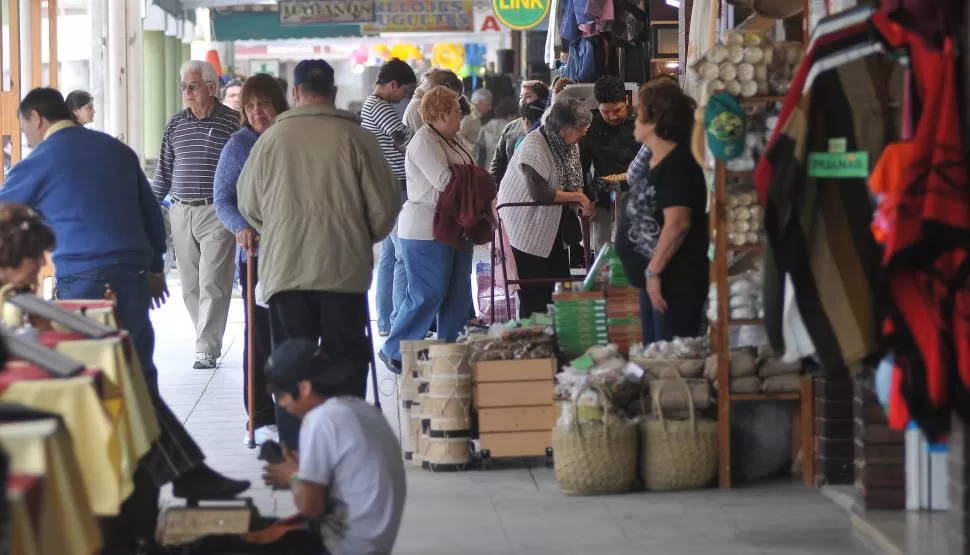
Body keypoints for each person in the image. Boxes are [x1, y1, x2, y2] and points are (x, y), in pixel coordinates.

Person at [0, 89, 249, 500]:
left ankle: (144, 486)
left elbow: (6, 209)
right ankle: (175, 477)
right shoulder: (115, 149)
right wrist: (154, 267)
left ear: (37, 118)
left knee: (108, 380)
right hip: (133, 272)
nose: (26, 135)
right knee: (135, 372)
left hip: (85, 279)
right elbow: (150, 210)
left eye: (25, 126)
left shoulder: (41, 159)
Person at [237, 59, 399, 450]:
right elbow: (385, 206)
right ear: (333, 93)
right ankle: (345, 445)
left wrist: (279, 228)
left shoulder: (272, 140)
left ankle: (298, 448)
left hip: (285, 270)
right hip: (342, 269)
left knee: (292, 359)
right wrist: (361, 236)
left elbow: (248, 203)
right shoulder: (356, 137)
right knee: (343, 357)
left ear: (295, 94)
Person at [262, 339, 406, 555]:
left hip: (342, 547)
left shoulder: (320, 420)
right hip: (375, 543)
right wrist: (305, 472)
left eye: (280, 395)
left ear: (305, 388)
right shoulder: (362, 409)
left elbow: (310, 507)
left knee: (229, 544)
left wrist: (293, 477)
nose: (281, 404)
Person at [378, 86, 477, 371]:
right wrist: (475, 184)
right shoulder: (423, 141)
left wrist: (473, 185)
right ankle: (394, 349)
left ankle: (453, 350)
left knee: (458, 291)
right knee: (428, 292)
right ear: (440, 113)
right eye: (457, 112)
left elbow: (468, 173)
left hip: (456, 225)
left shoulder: (453, 139)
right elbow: (447, 182)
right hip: (425, 230)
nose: (461, 117)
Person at [214, 73, 289, 446]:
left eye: (264, 104)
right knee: (259, 335)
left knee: (291, 332)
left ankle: (294, 409)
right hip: (257, 256)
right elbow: (222, 198)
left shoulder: (292, 136)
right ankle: (260, 414)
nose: (258, 112)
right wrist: (240, 227)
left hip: (296, 253)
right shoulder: (239, 145)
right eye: (250, 106)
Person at [152, 60, 240, 370]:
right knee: (189, 284)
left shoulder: (233, 122)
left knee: (213, 281)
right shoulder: (176, 124)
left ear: (212, 88)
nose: (187, 92)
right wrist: (149, 207)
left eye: (193, 86)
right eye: (184, 87)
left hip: (217, 211)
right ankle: (205, 335)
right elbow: (163, 171)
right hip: (180, 210)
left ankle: (206, 347)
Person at [615, 79, 709, 342]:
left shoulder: (679, 163)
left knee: (671, 360)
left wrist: (654, 272)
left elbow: (678, 223)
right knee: (656, 357)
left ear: (655, 119)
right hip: (654, 279)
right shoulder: (655, 159)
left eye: (639, 111)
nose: (634, 118)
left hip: (673, 281)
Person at [496, 98, 595, 317]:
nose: (584, 133)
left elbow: (573, 180)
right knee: (535, 292)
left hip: (552, 227)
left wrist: (579, 200)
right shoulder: (534, 145)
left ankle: (556, 339)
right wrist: (578, 197)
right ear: (563, 129)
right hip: (525, 225)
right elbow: (540, 193)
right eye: (580, 129)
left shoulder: (569, 144)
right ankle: (534, 342)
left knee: (557, 288)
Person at [360, 58, 418, 337]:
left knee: (388, 257)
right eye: (406, 91)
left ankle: (385, 320)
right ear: (393, 85)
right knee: (402, 256)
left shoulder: (373, 105)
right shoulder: (381, 108)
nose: (406, 97)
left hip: (384, 187)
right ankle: (397, 320)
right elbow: (406, 140)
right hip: (394, 188)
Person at [581, 75, 640, 254]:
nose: (612, 116)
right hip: (603, 197)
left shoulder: (640, 122)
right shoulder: (591, 129)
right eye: (606, 112)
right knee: (601, 246)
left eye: (617, 110)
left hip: (636, 196)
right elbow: (582, 167)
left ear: (626, 100)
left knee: (633, 246)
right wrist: (586, 198)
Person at [489, 80, 551, 186]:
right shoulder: (511, 127)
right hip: (511, 187)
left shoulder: (549, 127)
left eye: (528, 96)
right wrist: (491, 190)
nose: (523, 100)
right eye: (521, 97)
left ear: (542, 100)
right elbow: (498, 162)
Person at [403, 68, 464, 133]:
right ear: (443, 88)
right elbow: (427, 139)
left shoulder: (421, 103)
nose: (446, 105)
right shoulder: (419, 107)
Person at [474, 97, 516, 167]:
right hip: (504, 169)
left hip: (487, 167)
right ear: (510, 115)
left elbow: (478, 145)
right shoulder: (513, 129)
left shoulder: (487, 125)